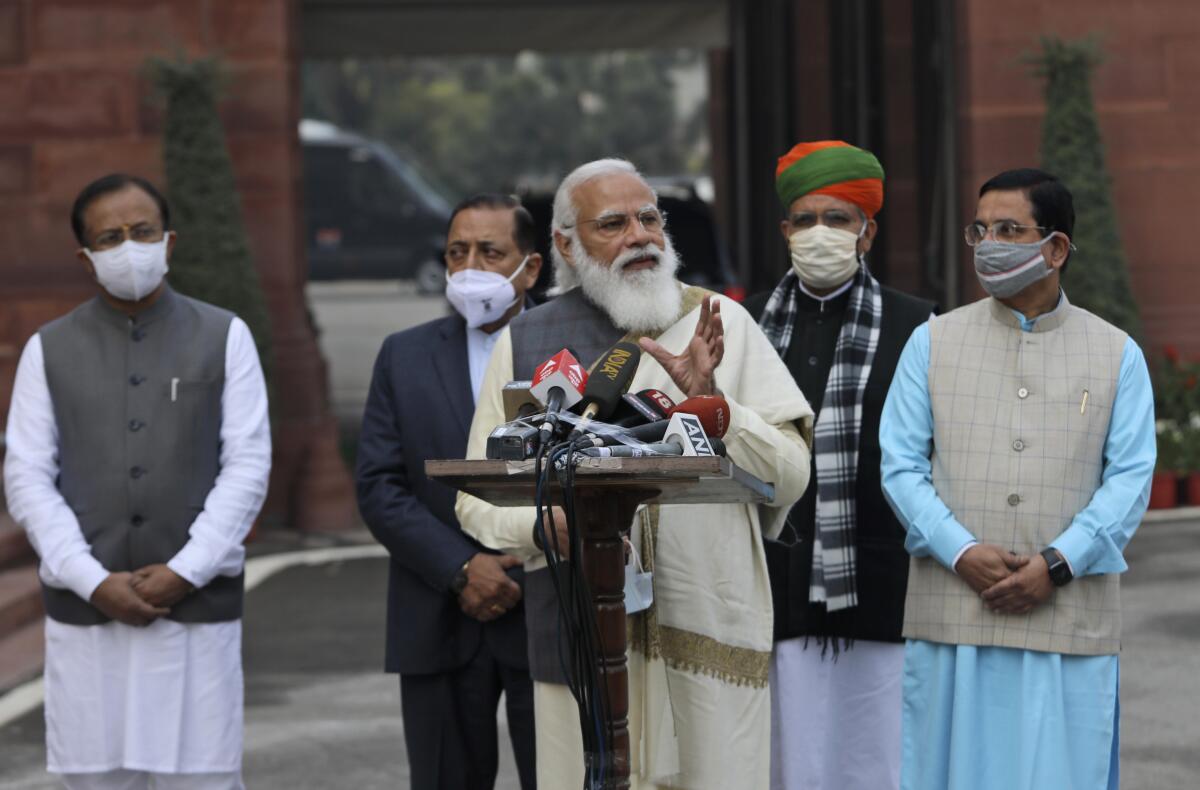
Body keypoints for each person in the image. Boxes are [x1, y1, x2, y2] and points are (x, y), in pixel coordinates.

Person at [455, 158, 814, 790]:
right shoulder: (528, 339)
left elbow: (790, 476)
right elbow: (475, 498)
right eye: (613, 223)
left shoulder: (722, 324)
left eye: (649, 218)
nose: (640, 236)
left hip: (704, 625)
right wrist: (544, 525)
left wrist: (718, 413)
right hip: (581, 634)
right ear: (565, 243)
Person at [880, 168, 1155, 789]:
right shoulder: (931, 343)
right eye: (981, 230)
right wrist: (960, 551)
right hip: (954, 611)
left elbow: (1131, 480)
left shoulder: (1117, 353)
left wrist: (1058, 564)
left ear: (1055, 248)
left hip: (1069, 614)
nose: (990, 245)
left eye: (1010, 229)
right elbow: (899, 466)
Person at [3, 173, 271, 789]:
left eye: (142, 231)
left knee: (201, 776)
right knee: (99, 779)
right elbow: (26, 476)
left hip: (196, 611)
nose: (129, 247)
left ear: (169, 242)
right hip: (88, 613)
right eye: (111, 236)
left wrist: (187, 569)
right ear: (86, 257)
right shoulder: (48, 349)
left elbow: (248, 464)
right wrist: (90, 578)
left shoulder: (224, 335)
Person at [744, 140, 935, 790]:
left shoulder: (919, 327)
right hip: (772, 590)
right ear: (784, 231)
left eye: (838, 218)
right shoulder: (745, 330)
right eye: (805, 219)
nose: (819, 233)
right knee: (785, 763)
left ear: (867, 231)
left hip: (877, 596)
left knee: (874, 764)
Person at [355, 194, 542, 790]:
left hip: (541, 608)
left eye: (491, 252)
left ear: (530, 267)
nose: (470, 267)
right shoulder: (403, 355)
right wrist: (462, 567)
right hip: (437, 612)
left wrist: (523, 553)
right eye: (457, 252)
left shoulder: (572, 349)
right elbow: (380, 486)